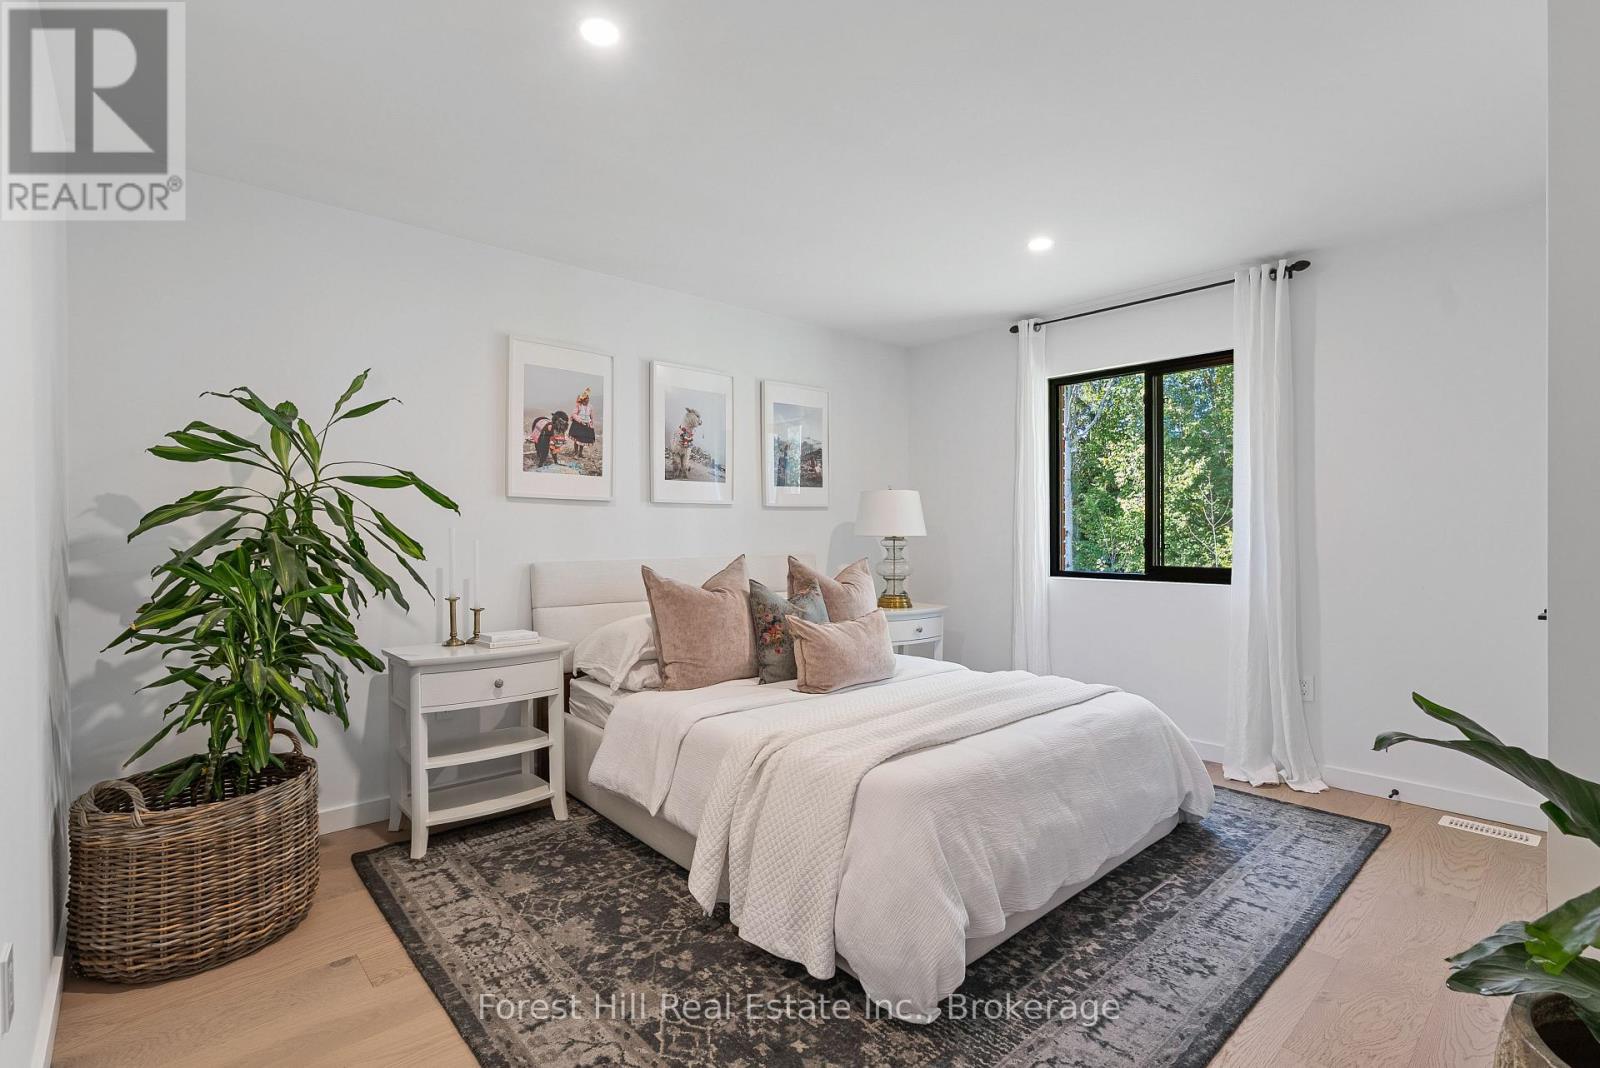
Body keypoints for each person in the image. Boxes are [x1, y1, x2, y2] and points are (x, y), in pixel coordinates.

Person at [569, 387, 596, 458]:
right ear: (583, 400)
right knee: (577, 439)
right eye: (586, 400)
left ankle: (580, 453)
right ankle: (576, 453)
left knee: (583, 440)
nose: (587, 401)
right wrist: (580, 421)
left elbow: (591, 416)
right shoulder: (579, 406)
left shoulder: (590, 407)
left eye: (588, 400)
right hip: (578, 425)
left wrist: (591, 423)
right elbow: (573, 414)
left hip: (586, 425)